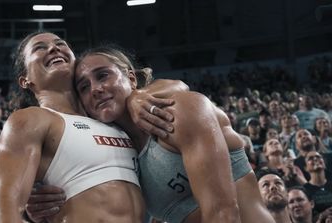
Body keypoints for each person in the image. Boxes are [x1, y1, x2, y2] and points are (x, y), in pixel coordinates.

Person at [27, 45, 275, 223]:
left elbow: (223, 213)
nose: (97, 89)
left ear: (131, 79)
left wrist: (142, 96)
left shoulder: (181, 110)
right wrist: (47, 209)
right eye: (84, 87)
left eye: (103, 75)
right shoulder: (115, 151)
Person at [0, 31, 144, 223]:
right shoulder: (29, 121)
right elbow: (3, 212)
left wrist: (138, 97)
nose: (54, 48)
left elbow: (173, 88)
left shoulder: (111, 117)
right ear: (25, 80)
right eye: (40, 48)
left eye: (60, 44)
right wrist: (28, 213)